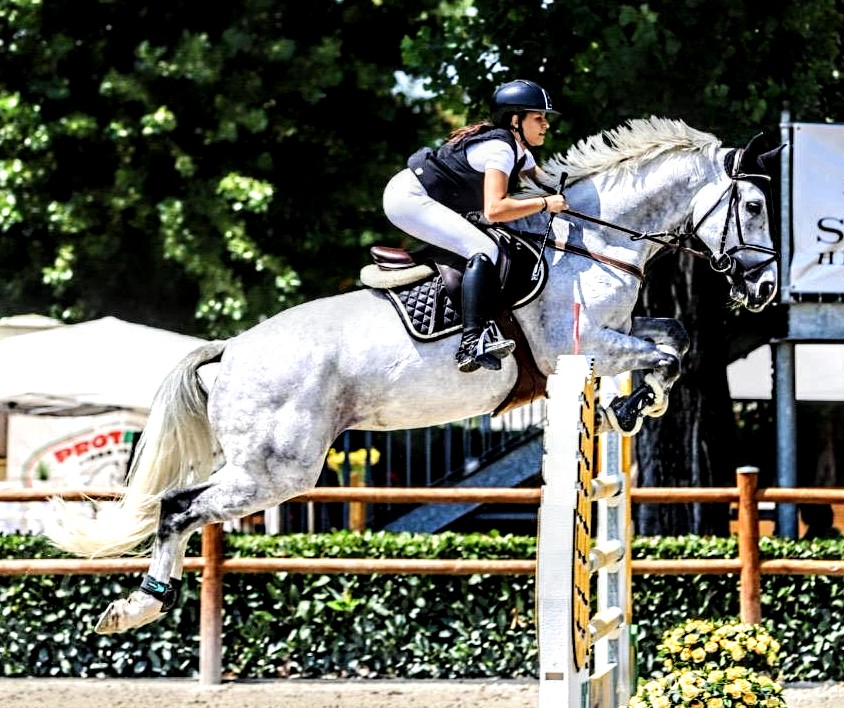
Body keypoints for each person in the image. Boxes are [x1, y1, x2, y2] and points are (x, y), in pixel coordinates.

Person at [383, 79, 569, 373]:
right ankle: (472, 342)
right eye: (539, 117)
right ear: (515, 120)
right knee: (484, 248)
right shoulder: (501, 149)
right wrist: (546, 204)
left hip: (425, 197)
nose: (546, 124)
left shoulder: (520, 150)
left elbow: (549, 184)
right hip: (408, 199)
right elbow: (495, 209)